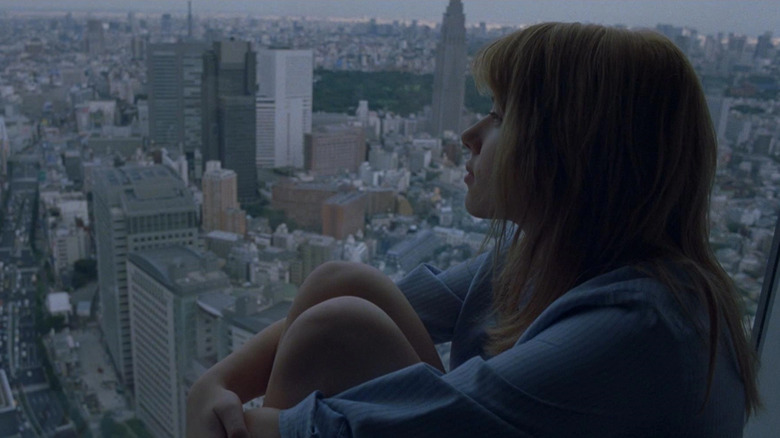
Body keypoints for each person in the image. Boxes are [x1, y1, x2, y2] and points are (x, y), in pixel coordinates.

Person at [187, 22, 760, 437]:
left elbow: (425, 419)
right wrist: (218, 384)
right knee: (343, 287)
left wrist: (231, 426)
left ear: (574, 154)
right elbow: (378, 296)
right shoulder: (553, 253)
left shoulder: (641, 329)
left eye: (501, 116)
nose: (470, 133)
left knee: (335, 329)